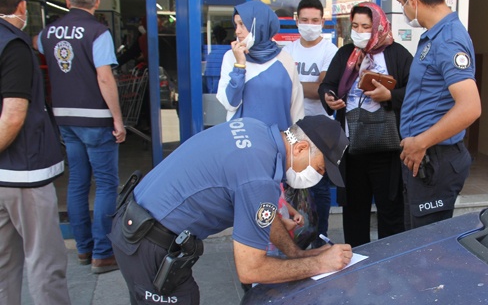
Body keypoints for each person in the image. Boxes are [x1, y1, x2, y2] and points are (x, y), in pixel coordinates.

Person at [109, 115, 352, 304]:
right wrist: (321, 264)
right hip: (150, 245)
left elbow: (258, 209)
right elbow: (250, 269)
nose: (318, 178)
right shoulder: (258, 178)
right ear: (299, 148)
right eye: (320, 169)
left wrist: (296, 254)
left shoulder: (255, 130)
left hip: (135, 226)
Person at [38, 0, 126, 274]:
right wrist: (117, 119)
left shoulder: (46, 33)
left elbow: (39, 51)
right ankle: (103, 254)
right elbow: (104, 78)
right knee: (105, 184)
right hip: (95, 119)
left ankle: (84, 249)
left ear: (67, 0)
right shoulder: (98, 32)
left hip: (65, 118)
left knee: (77, 182)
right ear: (96, 2)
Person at [382, 0, 481, 229]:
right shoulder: (436, 35)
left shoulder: (448, 40)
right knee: (415, 242)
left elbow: (470, 107)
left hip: (434, 159)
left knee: (426, 253)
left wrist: (421, 142)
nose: (403, 9)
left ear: (413, 2)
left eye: (402, 3)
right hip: (423, 157)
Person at [0, 0, 71, 304]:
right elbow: (13, 116)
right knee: (45, 263)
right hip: (23, 175)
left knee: (3, 265)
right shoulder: (13, 45)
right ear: (22, 5)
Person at [319, 2, 412, 247]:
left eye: (366, 27)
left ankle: (391, 261)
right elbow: (328, 84)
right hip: (351, 149)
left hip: (387, 147)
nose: (359, 31)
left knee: (390, 211)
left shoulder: (397, 55)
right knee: (354, 212)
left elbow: (416, 92)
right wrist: (329, 96)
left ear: (379, 27)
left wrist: (390, 97)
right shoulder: (345, 54)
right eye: (356, 26)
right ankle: (357, 263)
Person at [282, 0, 338, 249]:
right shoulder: (288, 51)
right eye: (304, 20)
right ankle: (295, 239)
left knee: (319, 189)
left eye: (315, 20)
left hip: (319, 129)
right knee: (291, 188)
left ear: (323, 21)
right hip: (292, 129)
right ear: (296, 21)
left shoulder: (330, 50)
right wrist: (307, 85)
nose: (309, 25)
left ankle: (319, 241)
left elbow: (320, 89)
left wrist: (292, 84)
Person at [216, 0, 304, 131]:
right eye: (236, 25)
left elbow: (296, 108)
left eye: (242, 24)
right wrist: (240, 65)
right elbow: (230, 104)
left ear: (259, 25)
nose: (237, 31)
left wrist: (296, 142)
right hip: (243, 141)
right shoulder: (231, 57)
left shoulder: (285, 59)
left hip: (279, 141)